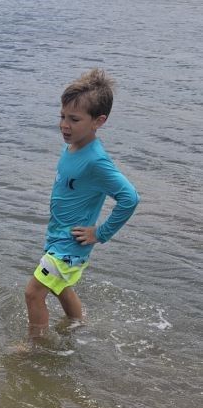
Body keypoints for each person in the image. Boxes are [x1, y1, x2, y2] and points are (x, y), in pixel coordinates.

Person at [24, 69, 139, 339]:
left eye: (74, 119)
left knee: (33, 294)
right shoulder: (72, 146)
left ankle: (34, 347)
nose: (64, 125)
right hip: (58, 235)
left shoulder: (96, 161)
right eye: (62, 117)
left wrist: (100, 233)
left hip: (70, 242)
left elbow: (130, 198)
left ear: (98, 121)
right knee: (60, 286)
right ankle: (77, 324)